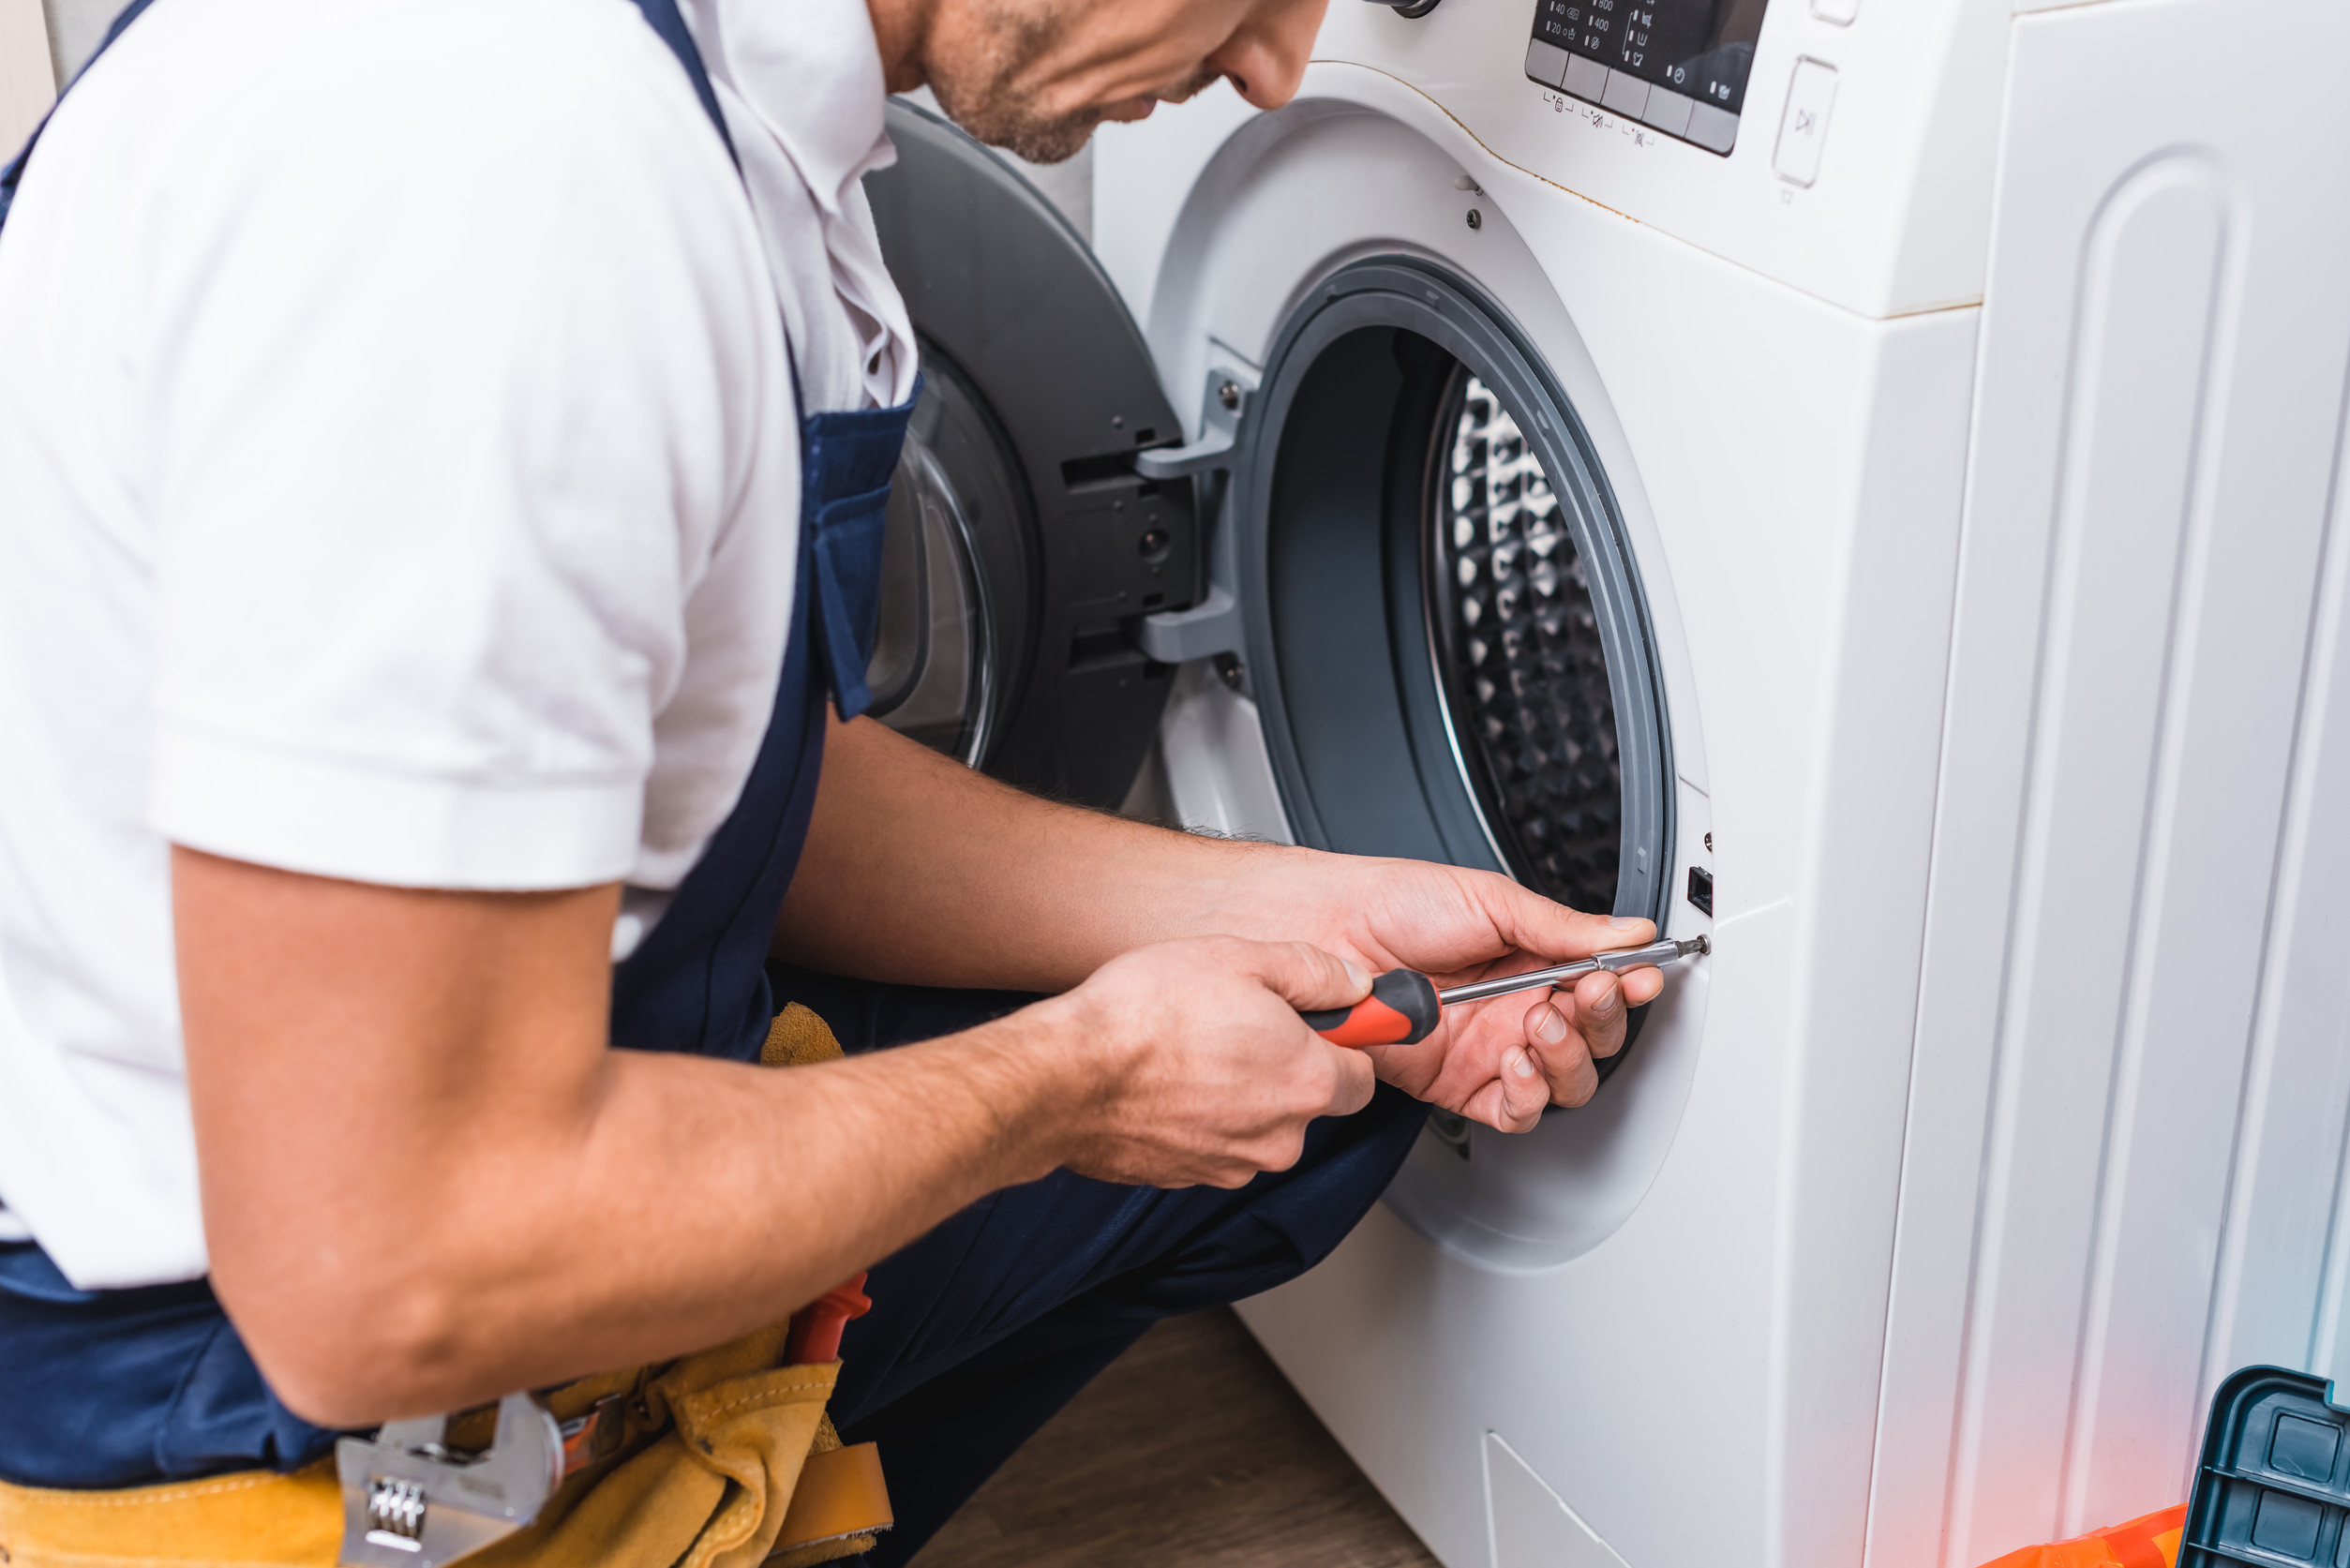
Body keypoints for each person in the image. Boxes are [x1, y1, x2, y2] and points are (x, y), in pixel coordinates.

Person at [0, 0, 1664, 1560]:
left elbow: (725, 788)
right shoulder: (502, 182)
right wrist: (1075, 1078)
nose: (1280, 65)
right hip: (234, 1391)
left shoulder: (738, 114)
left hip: (455, 1158)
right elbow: (386, 1263)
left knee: (1320, 1091)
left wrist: (1309, 907)